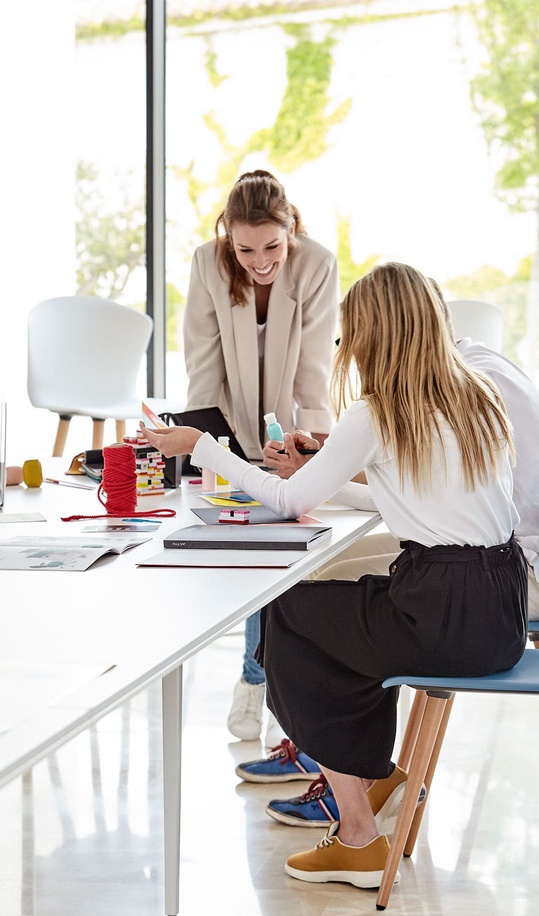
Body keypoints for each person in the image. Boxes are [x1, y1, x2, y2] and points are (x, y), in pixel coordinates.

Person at [140, 262, 529, 890]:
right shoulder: (476, 397)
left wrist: (202, 448)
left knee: (289, 616)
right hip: (500, 609)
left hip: (438, 613)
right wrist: (319, 475)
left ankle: (357, 834)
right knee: (337, 620)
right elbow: (410, 499)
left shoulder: (378, 413)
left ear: (372, 335)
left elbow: (286, 502)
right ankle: (373, 779)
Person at [234, 284, 539, 829]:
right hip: (504, 589)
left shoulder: (417, 398)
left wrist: (202, 449)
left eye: (350, 337)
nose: (349, 351)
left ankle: (350, 793)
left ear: (377, 336)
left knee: (297, 606)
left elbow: (304, 496)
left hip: (488, 594)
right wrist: (330, 461)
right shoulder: (472, 382)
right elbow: (422, 485)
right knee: (321, 587)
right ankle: (357, 768)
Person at [183, 168, 338, 745]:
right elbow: (203, 362)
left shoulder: (316, 264)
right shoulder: (208, 263)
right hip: (230, 427)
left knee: (285, 558)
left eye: (272, 246)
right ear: (227, 236)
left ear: (290, 228)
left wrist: (310, 454)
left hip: (293, 432)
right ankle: (258, 680)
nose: (260, 261)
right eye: (245, 249)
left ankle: (264, 684)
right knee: (255, 557)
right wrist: (206, 448)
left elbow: (314, 367)